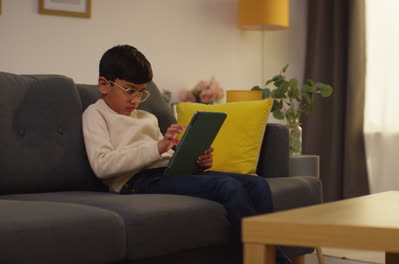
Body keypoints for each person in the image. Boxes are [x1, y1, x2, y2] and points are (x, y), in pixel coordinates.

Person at [82, 44, 292, 264]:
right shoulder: (95, 114)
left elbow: (163, 156)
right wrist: (158, 147)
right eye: (130, 90)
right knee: (227, 187)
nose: (135, 99)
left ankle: (268, 256)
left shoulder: (146, 117)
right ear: (104, 85)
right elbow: (101, 165)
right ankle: (273, 261)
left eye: (141, 92)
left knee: (257, 184)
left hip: (165, 172)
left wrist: (197, 162)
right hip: (136, 181)